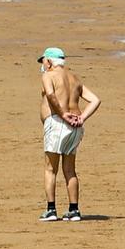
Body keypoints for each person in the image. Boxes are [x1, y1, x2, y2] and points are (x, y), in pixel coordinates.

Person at [37, 47, 102, 223]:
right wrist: (81, 118)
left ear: (49, 61)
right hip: (75, 127)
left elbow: (51, 96)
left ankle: (51, 210)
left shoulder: (48, 75)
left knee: (51, 168)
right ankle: (74, 210)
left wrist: (63, 114)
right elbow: (95, 100)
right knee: (69, 169)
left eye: (43, 60)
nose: (42, 64)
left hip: (58, 123)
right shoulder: (75, 78)